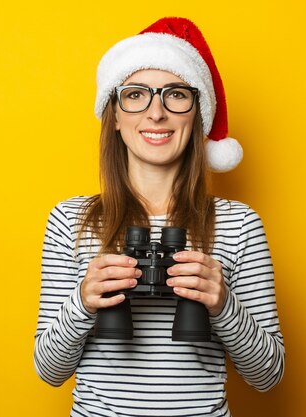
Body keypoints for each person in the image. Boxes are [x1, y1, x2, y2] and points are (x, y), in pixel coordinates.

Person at [34, 17, 284, 416]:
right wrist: (84, 301)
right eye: (136, 95)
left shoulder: (239, 224)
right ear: (114, 116)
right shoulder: (70, 220)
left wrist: (222, 304)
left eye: (176, 95)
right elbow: (49, 370)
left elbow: (268, 375)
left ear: (196, 115)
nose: (156, 113)